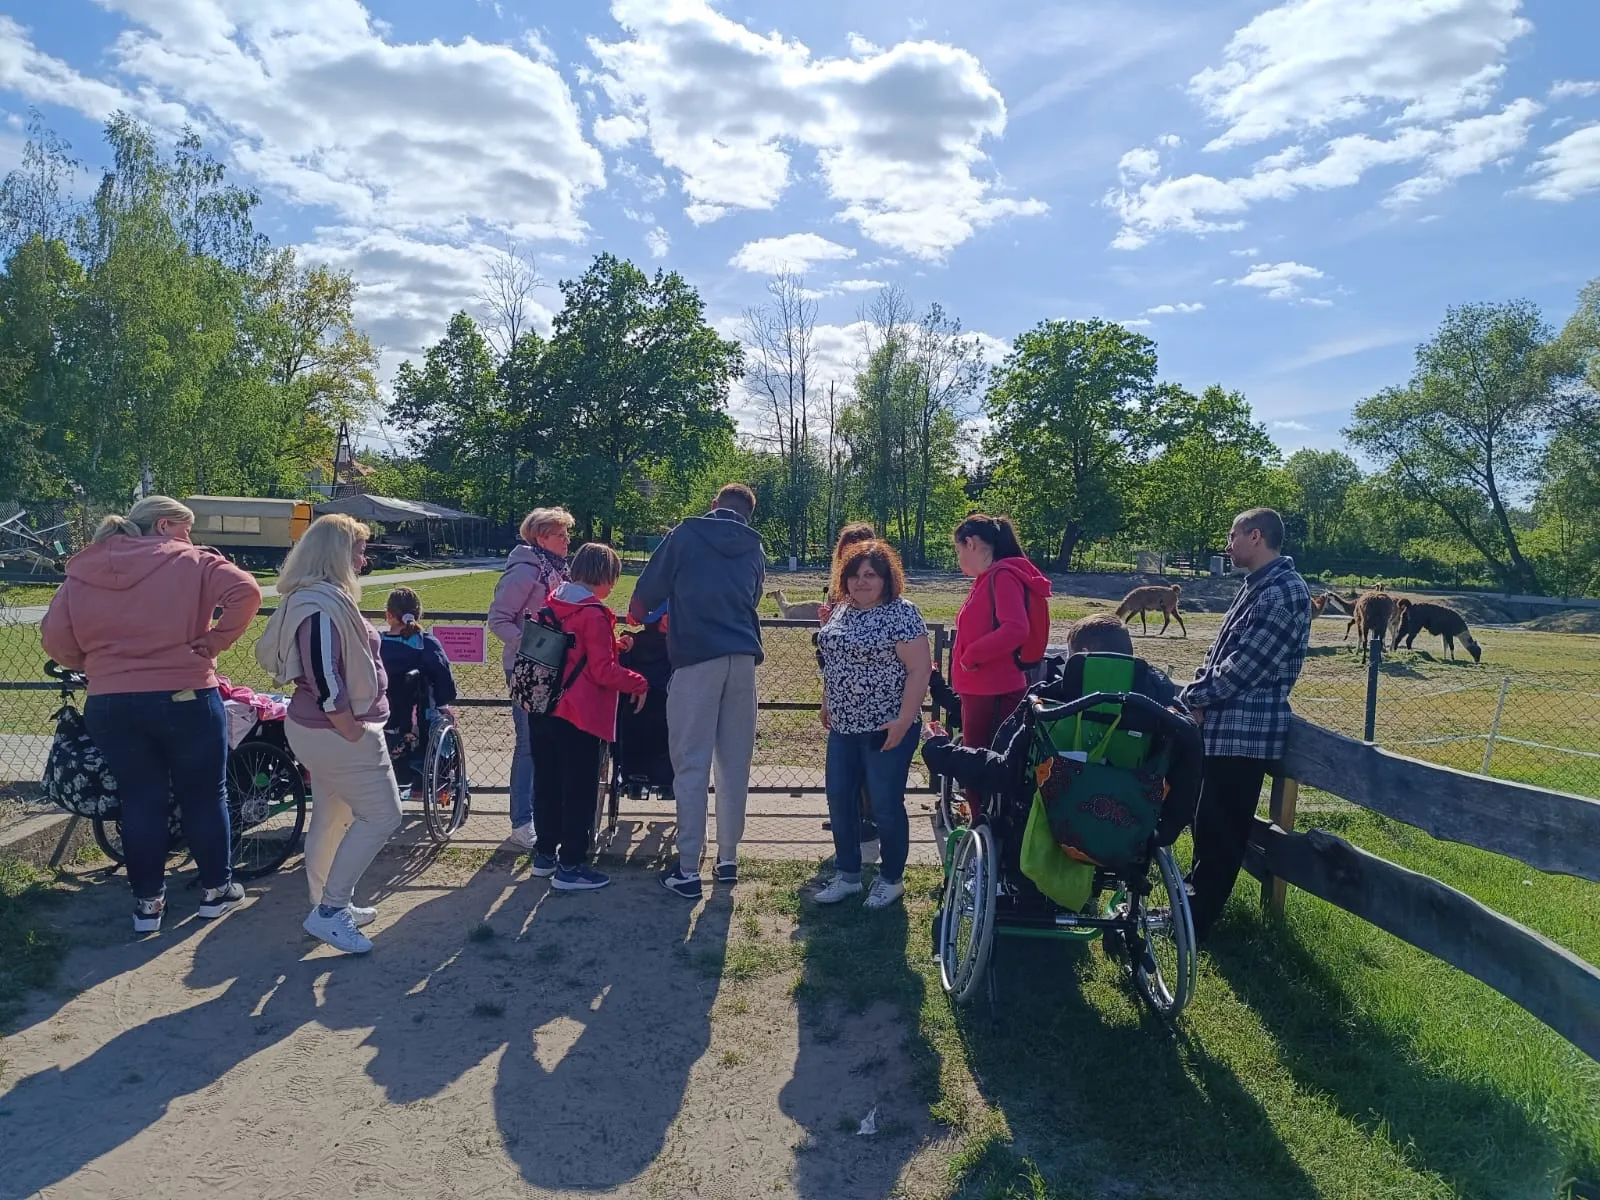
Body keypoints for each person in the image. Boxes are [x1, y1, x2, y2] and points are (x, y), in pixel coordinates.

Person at [40, 496, 262, 933]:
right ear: (164, 525)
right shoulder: (193, 561)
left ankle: (147, 905)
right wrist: (216, 642)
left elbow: (55, 638)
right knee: (204, 795)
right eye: (186, 528)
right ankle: (217, 891)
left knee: (140, 800)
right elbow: (247, 592)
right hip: (186, 696)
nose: (190, 538)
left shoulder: (83, 569)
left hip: (111, 703)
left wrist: (92, 665)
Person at [256, 514, 401, 955]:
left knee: (332, 814)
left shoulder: (318, 597)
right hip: (336, 731)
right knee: (383, 815)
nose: (363, 557)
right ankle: (329, 910)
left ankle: (328, 901)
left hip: (323, 731)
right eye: (358, 549)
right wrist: (350, 726)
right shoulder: (319, 604)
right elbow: (324, 677)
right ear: (337, 553)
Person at [1179, 507, 1311, 943]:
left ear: (1256, 536)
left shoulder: (1284, 592)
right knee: (1205, 822)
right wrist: (1200, 695)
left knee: (1222, 832)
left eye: (1232, 535)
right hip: (1224, 728)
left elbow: (1245, 667)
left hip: (1245, 733)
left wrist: (1194, 696)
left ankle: (1196, 925)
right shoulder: (1258, 586)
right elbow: (1220, 654)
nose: (1227, 543)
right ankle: (1190, 911)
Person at [629, 483, 765, 901]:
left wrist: (668, 613)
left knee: (691, 763)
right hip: (743, 659)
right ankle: (727, 859)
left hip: (696, 659)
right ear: (748, 514)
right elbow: (753, 598)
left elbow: (639, 604)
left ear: (714, 506)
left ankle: (688, 866)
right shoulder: (755, 549)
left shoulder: (685, 534)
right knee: (734, 762)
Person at [811, 541, 931, 910]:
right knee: (839, 799)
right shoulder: (842, 611)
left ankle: (890, 879)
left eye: (870, 575)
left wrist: (905, 719)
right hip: (844, 727)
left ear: (886, 578)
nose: (861, 582)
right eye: (854, 574)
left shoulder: (902, 613)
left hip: (886, 727)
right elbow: (832, 658)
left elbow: (919, 669)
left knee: (884, 804)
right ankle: (847, 875)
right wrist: (828, 700)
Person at [529, 542, 648, 891]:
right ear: (603, 576)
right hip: (578, 714)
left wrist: (613, 644)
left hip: (542, 706)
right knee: (579, 789)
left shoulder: (553, 601)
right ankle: (571, 866)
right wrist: (639, 683)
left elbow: (571, 650)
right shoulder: (593, 613)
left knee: (547, 784)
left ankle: (545, 854)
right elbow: (602, 672)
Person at [949, 514, 1052, 808]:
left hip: (991, 689)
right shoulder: (993, 578)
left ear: (971, 543)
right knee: (984, 765)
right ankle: (986, 828)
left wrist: (972, 655)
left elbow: (1016, 628)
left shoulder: (1002, 576)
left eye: (958, 550)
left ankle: (984, 829)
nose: (959, 558)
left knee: (980, 767)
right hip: (984, 688)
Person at [488, 507, 574, 850]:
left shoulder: (558, 570)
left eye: (567, 534)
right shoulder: (526, 571)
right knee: (528, 746)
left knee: (547, 744)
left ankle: (541, 815)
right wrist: (532, 645)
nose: (567, 540)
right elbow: (499, 619)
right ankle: (522, 822)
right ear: (540, 537)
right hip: (527, 670)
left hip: (556, 668)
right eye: (560, 535)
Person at [816, 521, 879, 843]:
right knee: (846, 758)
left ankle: (867, 818)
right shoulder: (837, 587)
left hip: (868, 684)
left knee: (866, 754)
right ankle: (849, 815)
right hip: (840, 680)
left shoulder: (875, 587)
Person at [378, 587, 458, 795]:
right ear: (418, 614)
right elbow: (444, 678)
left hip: (380, 715)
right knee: (441, 719)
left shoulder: (376, 644)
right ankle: (426, 779)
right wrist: (443, 704)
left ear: (389, 615)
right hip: (417, 720)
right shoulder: (427, 644)